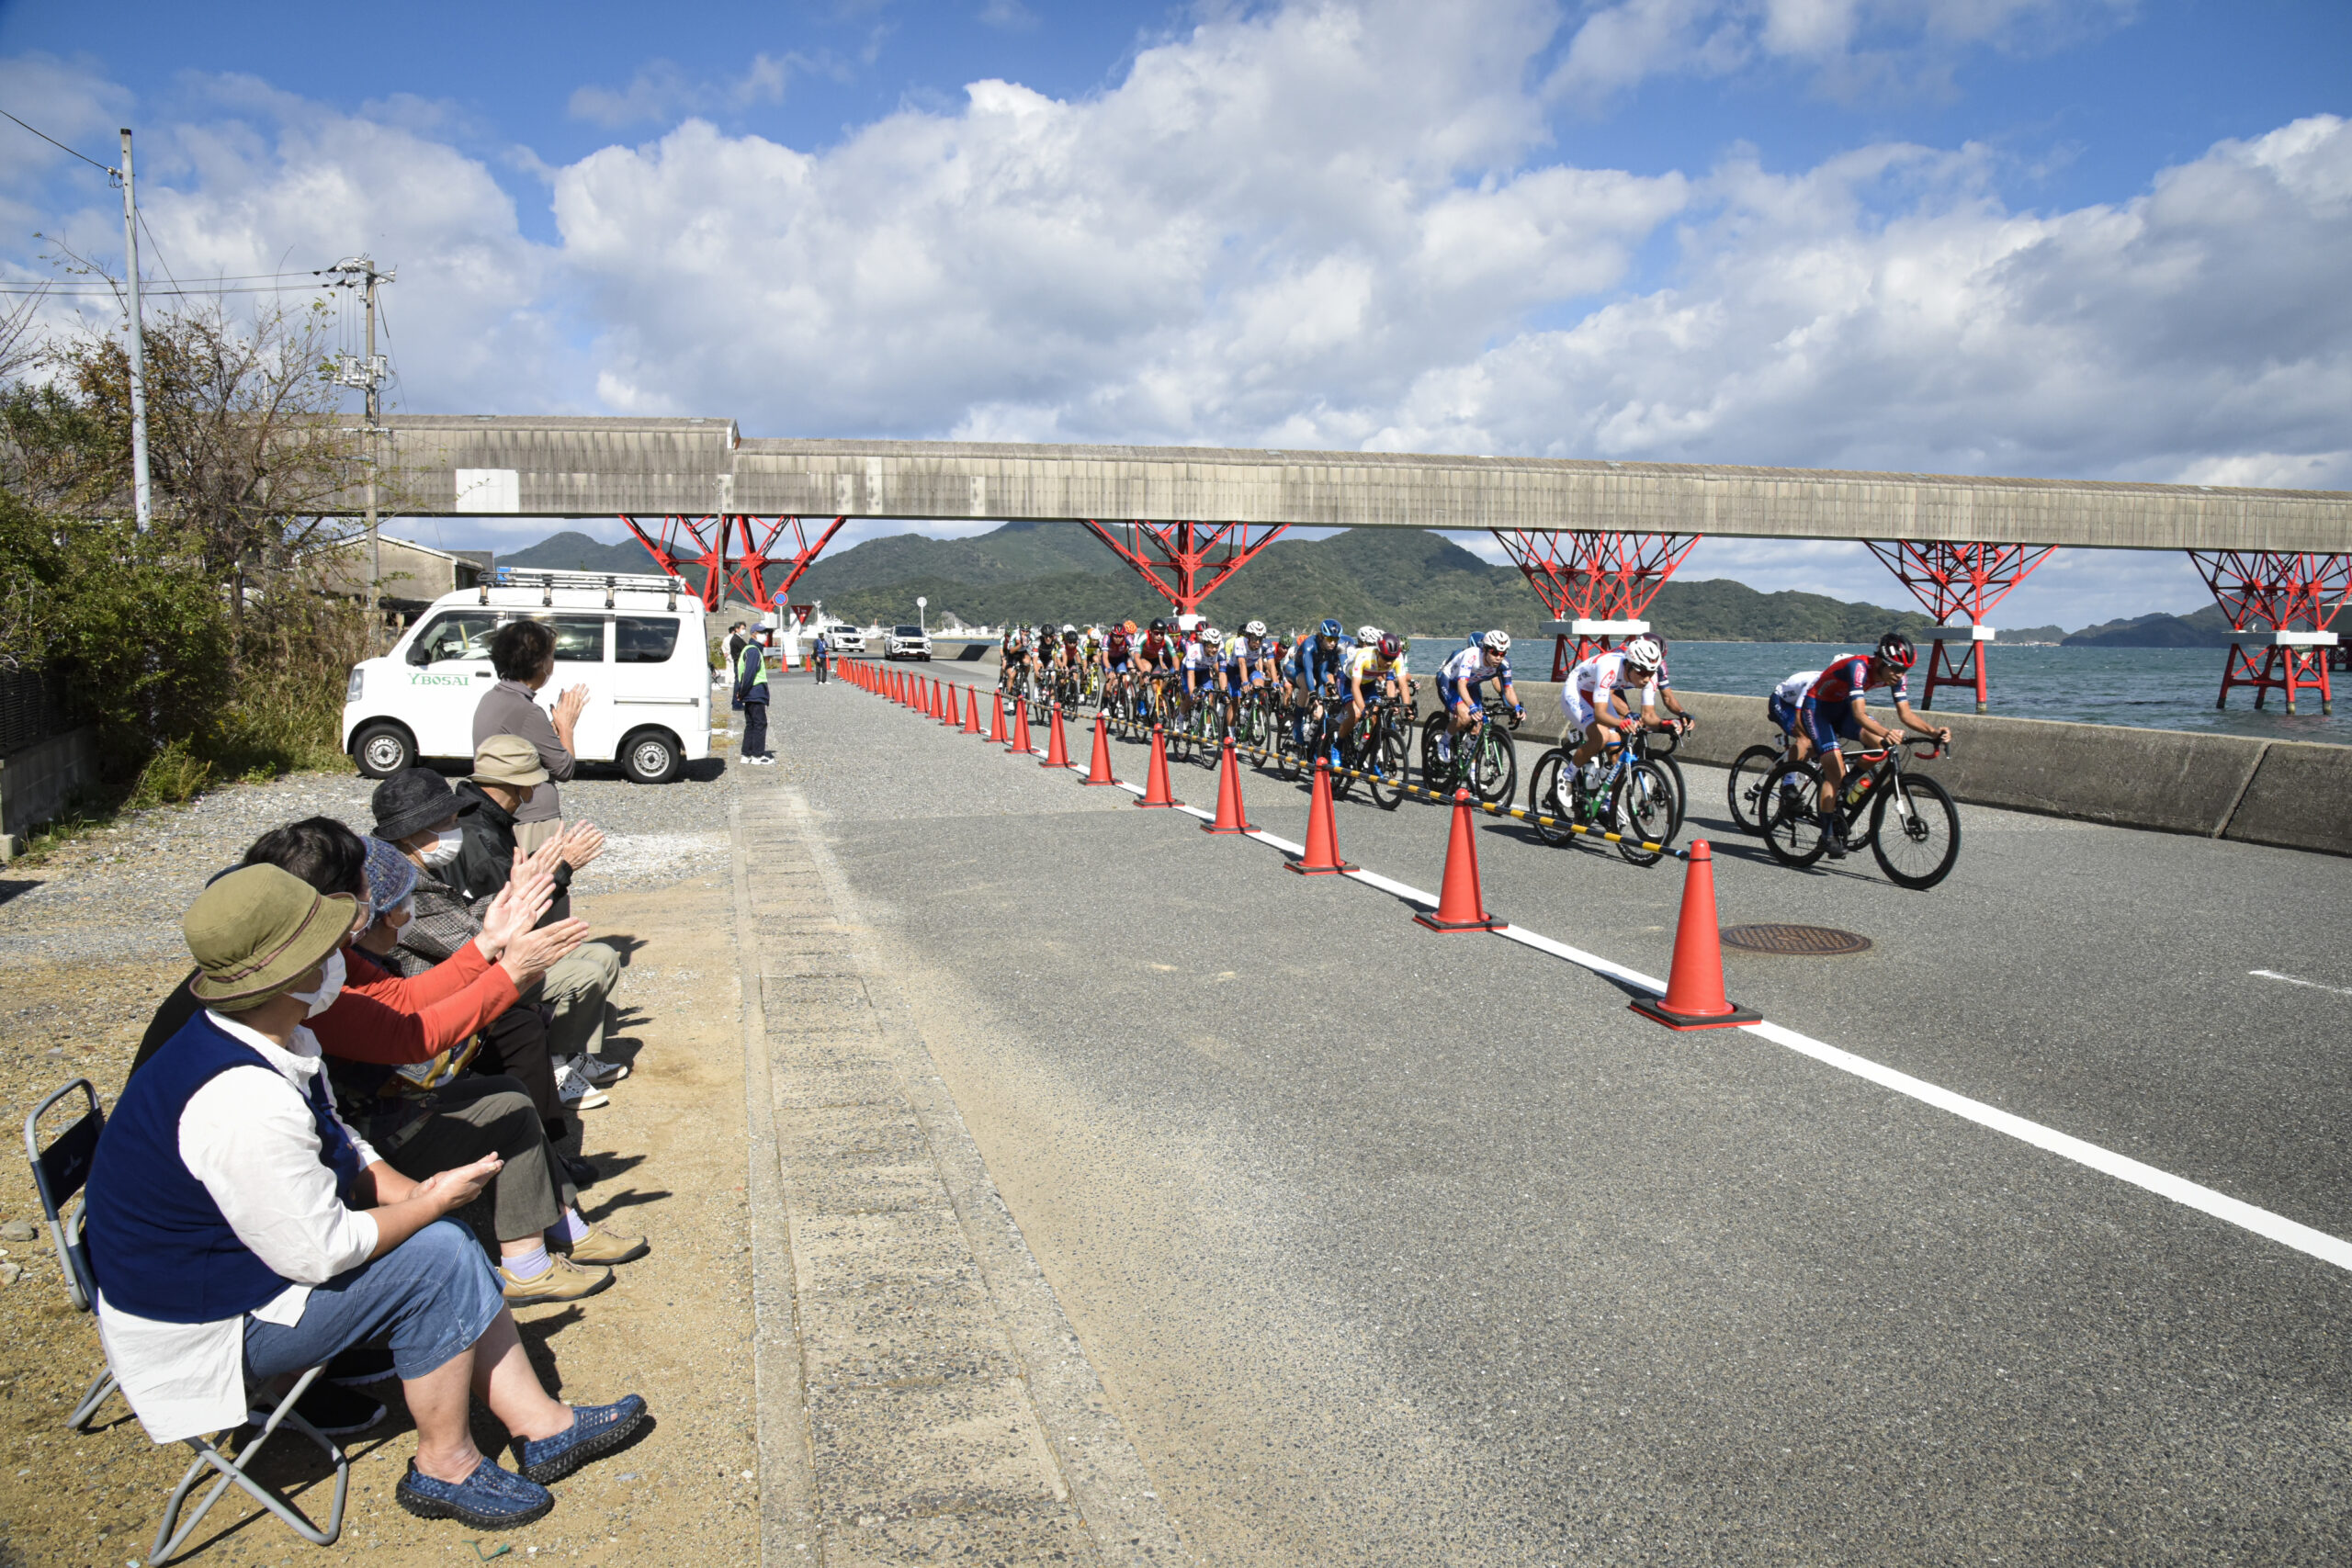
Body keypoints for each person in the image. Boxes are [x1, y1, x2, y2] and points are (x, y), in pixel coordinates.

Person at [85, 864, 648, 1530]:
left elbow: (342, 1141)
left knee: (442, 1238)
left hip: (224, 1279)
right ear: (290, 973)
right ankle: (445, 1465)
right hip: (202, 1326)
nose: (341, 961)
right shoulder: (242, 1098)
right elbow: (322, 1250)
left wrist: (413, 1192)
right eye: (326, 950)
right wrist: (431, 1204)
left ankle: (542, 1425)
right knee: (435, 1252)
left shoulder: (273, 1035)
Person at [1799, 632, 1951, 859]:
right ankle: (1826, 835)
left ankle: (1849, 781)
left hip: (1842, 710)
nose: (1900, 675)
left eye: (1905, 670)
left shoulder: (1897, 676)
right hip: (1818, 709)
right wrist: (1887, 732)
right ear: (1880, 661)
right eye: (1896, 668)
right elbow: (1860, 714)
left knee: (1881, 746)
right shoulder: (1858, 667)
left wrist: (1934, 731)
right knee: (1834, 772)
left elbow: (1906, 714)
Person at [473, 619, 584, 855]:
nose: (552, 663)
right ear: (539, 663)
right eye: (551, 656)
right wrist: (566, 727)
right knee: (544, 886)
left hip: (510, 814)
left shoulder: (493, 697)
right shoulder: (526, 710)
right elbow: (564, 769)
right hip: (532, 820)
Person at [1562, 635, 1678, 799]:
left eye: (1651, 673)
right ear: (1629, 666)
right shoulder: (1609, 667)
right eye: (1642, 672)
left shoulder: (1649, 675)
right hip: (1577, 689)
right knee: (1600, 736)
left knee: (1616, 752)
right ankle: (1567, 776)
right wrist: (1621, 722)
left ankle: (1602, 797)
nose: (1646, 678)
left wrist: (1667, 724)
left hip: (1597, 692)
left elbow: (1649, 716)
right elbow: (1600, 714)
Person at [1435, 630, 1523, 764]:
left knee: (1480, 724)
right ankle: (1444, 742)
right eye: (1495, 653)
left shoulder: (1504, 664)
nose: (1499, 657)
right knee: (1465, 716)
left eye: (1503, 653)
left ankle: (1470, 770)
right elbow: (1461, 685)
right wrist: (1471, 706)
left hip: (1472, 685)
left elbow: (1508, 691)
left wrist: (1517, 707)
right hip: (1450, 682)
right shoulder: (1472, 656)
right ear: (1485, 649)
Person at [735, 631, 774, 765]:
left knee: (751, 724)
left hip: (750, 692)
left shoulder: (748, 649)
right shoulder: (753, 651)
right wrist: (742, 692)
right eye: (762, 633)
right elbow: (749, 674)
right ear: (754, 634)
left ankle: (746, 754)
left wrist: (741, 692)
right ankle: (757, 755)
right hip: (755, 692)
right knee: (759, 723)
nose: (765, 636)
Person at [725, 622, 749, 710]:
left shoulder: (737, 638)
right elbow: (745, 648)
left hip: (738, 663)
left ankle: (736, 702)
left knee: (739, 683)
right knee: (738, 684)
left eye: (745, 629)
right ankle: (736, 703)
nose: (744, 630)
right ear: (737, 629)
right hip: (738, 663)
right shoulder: (736, 639)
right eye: (742, 628)